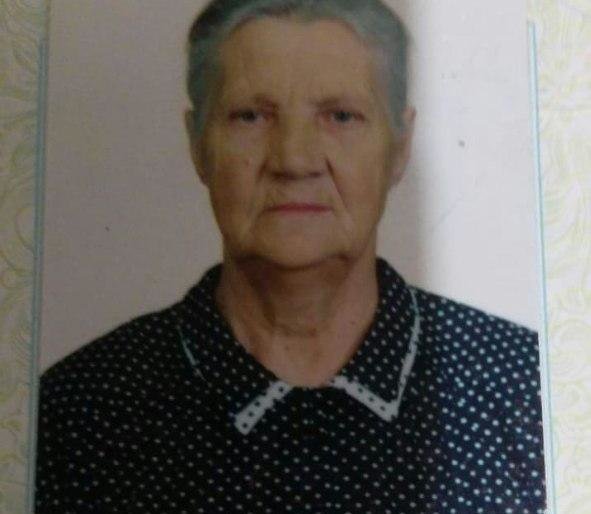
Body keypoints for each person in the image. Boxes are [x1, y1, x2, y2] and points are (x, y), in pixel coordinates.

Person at [35, 0, 547, 512]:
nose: (294, 160)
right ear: (198, 144)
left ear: (400, 146)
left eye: (341, 116)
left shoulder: (529, 390)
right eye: (251, 116)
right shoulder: (76, 415)